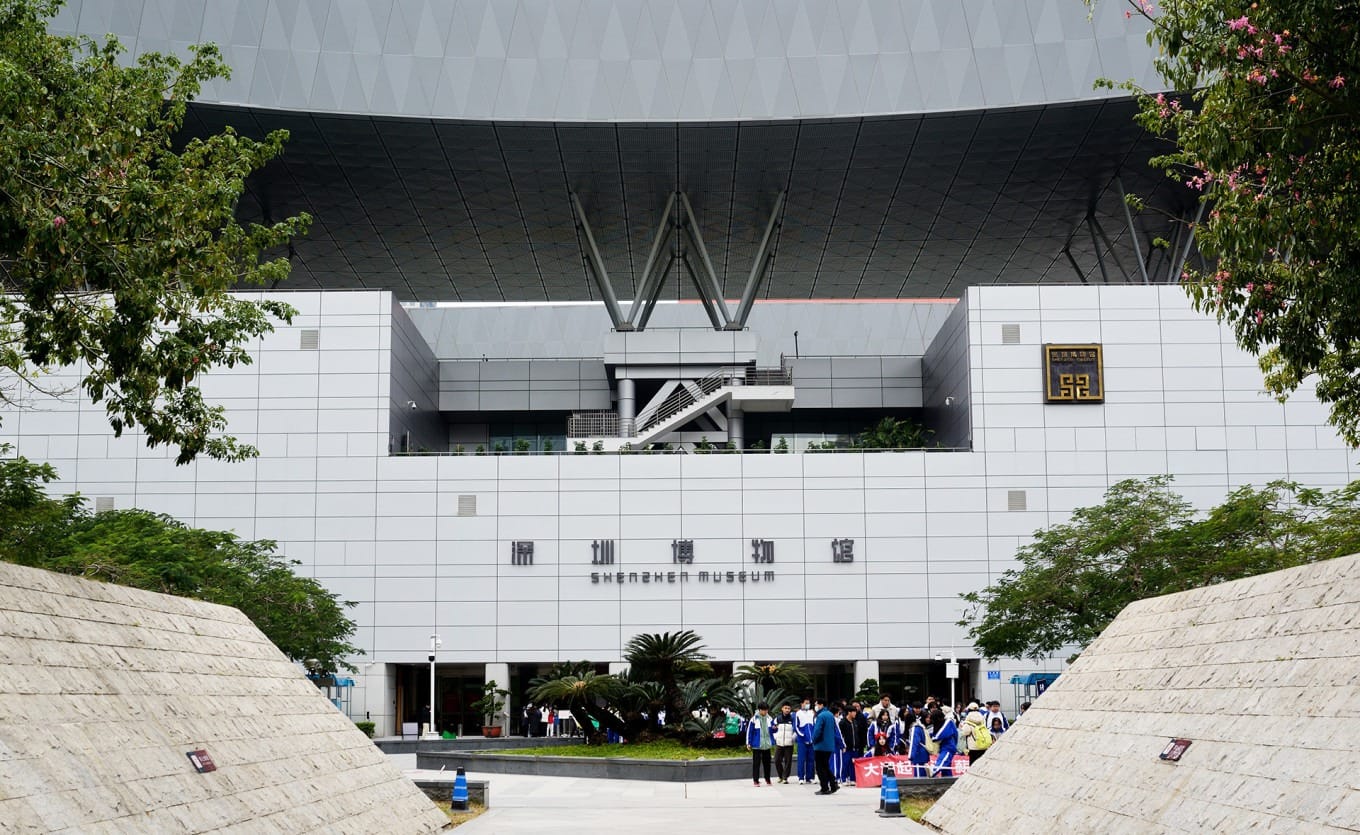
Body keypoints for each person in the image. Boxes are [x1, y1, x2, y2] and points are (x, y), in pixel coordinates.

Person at [809, 698, 840, 795]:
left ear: (821, 705)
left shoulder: (821, 716)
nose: (815, 706)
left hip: (821, 745)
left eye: (816, 704)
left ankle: (824, 787)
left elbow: (818, 730)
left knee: (820, 767)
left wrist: (813, 740)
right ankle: (833, 784)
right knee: (825, 766)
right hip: (829, 745)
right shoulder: (830, 715)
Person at [746, 702, 775, 786]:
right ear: (759, 710)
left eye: (766, 710)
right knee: (756, 764)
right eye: (764, 710)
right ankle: (756, 780)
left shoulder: (769, 718)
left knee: (767, 764)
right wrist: (748, 743)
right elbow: (749, 732)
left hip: (767, 745)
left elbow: (773, 730)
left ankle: (768, 779)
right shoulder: (754, 719)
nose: (765, 712)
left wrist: (775, 728)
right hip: (757, 745)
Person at [773, 702, 797, 784]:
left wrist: (793, 738)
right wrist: (775, 737)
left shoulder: (793, 718)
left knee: (788, 761)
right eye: (785, 708)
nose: (787, 710)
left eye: (788, 708)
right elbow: (773, 729)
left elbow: (796, 729)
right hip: (779, 743)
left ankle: (785, 777)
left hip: (789, 743)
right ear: (782, 708)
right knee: (776, 760)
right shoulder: (778, 718)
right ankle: (780, 776)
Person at [931, 707, 959, 777]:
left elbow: (940, 734)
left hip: (948, 747)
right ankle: (948, 781)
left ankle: (933, 772)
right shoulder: (948, 722)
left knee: (942, 761)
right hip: (947, 746)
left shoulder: (948, 722)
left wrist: (933, 738)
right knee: (946, 769)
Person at [794, 697, 816, 785]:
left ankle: (810, 777)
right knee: (801, 759)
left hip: (811, 740)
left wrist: (814, 736)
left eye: (809, 703)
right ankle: (801, 777)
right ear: (802, 704)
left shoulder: (811, 713)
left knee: (811, 759)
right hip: (802, 740)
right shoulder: (798, 714)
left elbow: (814, 724)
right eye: (806, 703)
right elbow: (795, 726)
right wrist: (802, 735)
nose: (808, 704)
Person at [906, 712, 931, 777]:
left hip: (918, 755)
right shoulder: (922, 727)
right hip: (924, 754)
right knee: (923, 776)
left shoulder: (915, 728)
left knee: (919, 777)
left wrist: (911, 756)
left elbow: (914, 742)